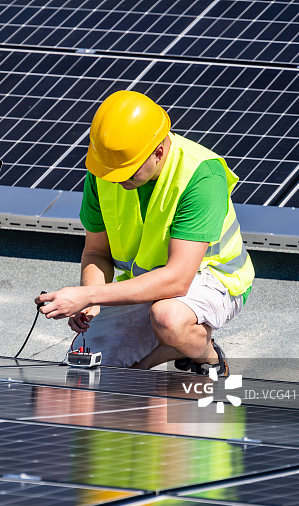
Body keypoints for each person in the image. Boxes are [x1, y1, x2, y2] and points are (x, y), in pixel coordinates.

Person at [36, 91, 254, 376]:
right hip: (144, 283)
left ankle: (207, 355)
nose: (116, 179)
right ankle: (168, 349)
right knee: (87, 368)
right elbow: (96, 252)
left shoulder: (201, 176)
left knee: (169, 318)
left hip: (211, 279)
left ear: (159, 152)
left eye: (126, 172)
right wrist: (92, 302)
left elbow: (177, 280)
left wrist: (88, 295)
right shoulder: (106, 171)